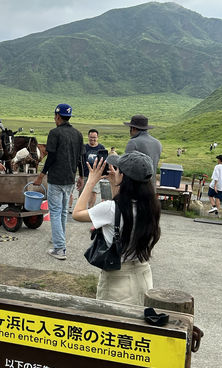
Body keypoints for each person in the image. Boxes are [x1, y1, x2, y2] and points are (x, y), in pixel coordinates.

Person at [73, 153, 161, 306]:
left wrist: (91, 181)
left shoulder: (109, 209)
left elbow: (77, 213)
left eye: (119, 170)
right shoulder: (151, 207)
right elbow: (120, 211)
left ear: (124, 178)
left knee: (112, 325)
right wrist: (115, 184)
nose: (115, 171)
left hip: (117, 280)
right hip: (143, 275)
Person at [33, 103, 83, 261]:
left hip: (56, 178)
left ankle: (60, 248)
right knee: (61, 211)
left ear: (58, 116)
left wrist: (41, 174)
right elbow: (80, 157)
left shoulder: (54, 133)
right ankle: (58, 238)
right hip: (70, 178)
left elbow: (52, 156)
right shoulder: (78, 134)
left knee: (54, 212)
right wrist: (81, 176)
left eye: (55, 116)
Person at [123, 114, 162, 180]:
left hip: (135, 186)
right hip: (151, 185)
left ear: (133, 128)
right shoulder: (157, 143)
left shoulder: (133, 142)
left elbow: (125, 167)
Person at [80, 129, 108, 209]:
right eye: (91, 137)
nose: (93, 139)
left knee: (94, 191)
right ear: (88, 136)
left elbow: (104, 161)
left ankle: (90, 208)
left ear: (97, 137)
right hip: (85, 173)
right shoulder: (84, 147)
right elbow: (80, 160)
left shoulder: (101, 147)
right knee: (82, 191)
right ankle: (81, 208)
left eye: (94, 137)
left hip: (96, 174)